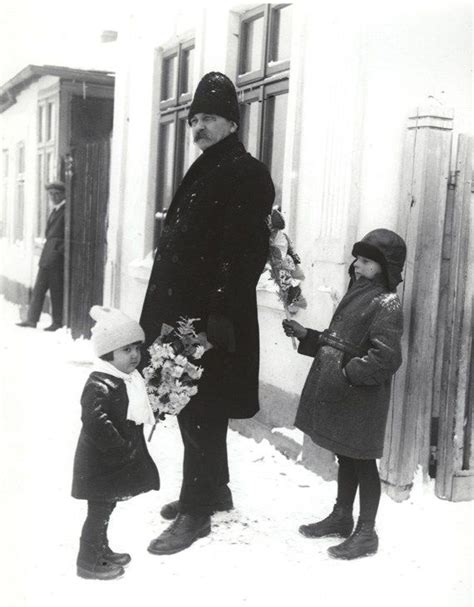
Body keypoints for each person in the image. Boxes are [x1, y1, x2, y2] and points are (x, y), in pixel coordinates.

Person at [140, 71, 275, 555]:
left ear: (232, 123)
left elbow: (241, 253)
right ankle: (214, 490)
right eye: (194, 119)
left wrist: (216, 318)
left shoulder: (245, 172)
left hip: (210, 319)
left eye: (209, 118)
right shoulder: (208, 166)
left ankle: (195, 513)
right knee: (193, 406)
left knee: (198, 408)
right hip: (185, 314)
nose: (198, 126)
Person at [283, 228, 407, 560]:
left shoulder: (387, 303)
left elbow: (386, 358)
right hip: (345, 393)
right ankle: (341, 516)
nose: (356, 264)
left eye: (365, 261)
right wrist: (306, 335)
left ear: (384, 267)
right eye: (357, 258)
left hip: (361, 397)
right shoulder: (359, 292)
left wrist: (348, 373)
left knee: (363, 461)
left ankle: (366, 532)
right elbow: (340, 340)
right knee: (346, 455)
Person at [71, 306, 160, 580]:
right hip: (100, 463)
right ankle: (88, 561)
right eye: (126, 350)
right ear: (108, 354)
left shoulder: (127, 380)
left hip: (111, 463)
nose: (135, 355)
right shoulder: (99, 384)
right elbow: (96, 422)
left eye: (137, 348)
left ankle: (101, 548)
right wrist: (120, 447)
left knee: (106, 507)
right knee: (98, 511)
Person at [16, 181, 66, 331]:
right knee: (38, 289)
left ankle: (57, 322)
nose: (53, 197)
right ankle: (32, 319)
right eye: (51, 194)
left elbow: (68, 235)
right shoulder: (55, 211)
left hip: (56, 259)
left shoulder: (66, 211)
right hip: (46, 258)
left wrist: (58, 250)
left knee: (56, 291)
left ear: (62, 194)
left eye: (56, 194)